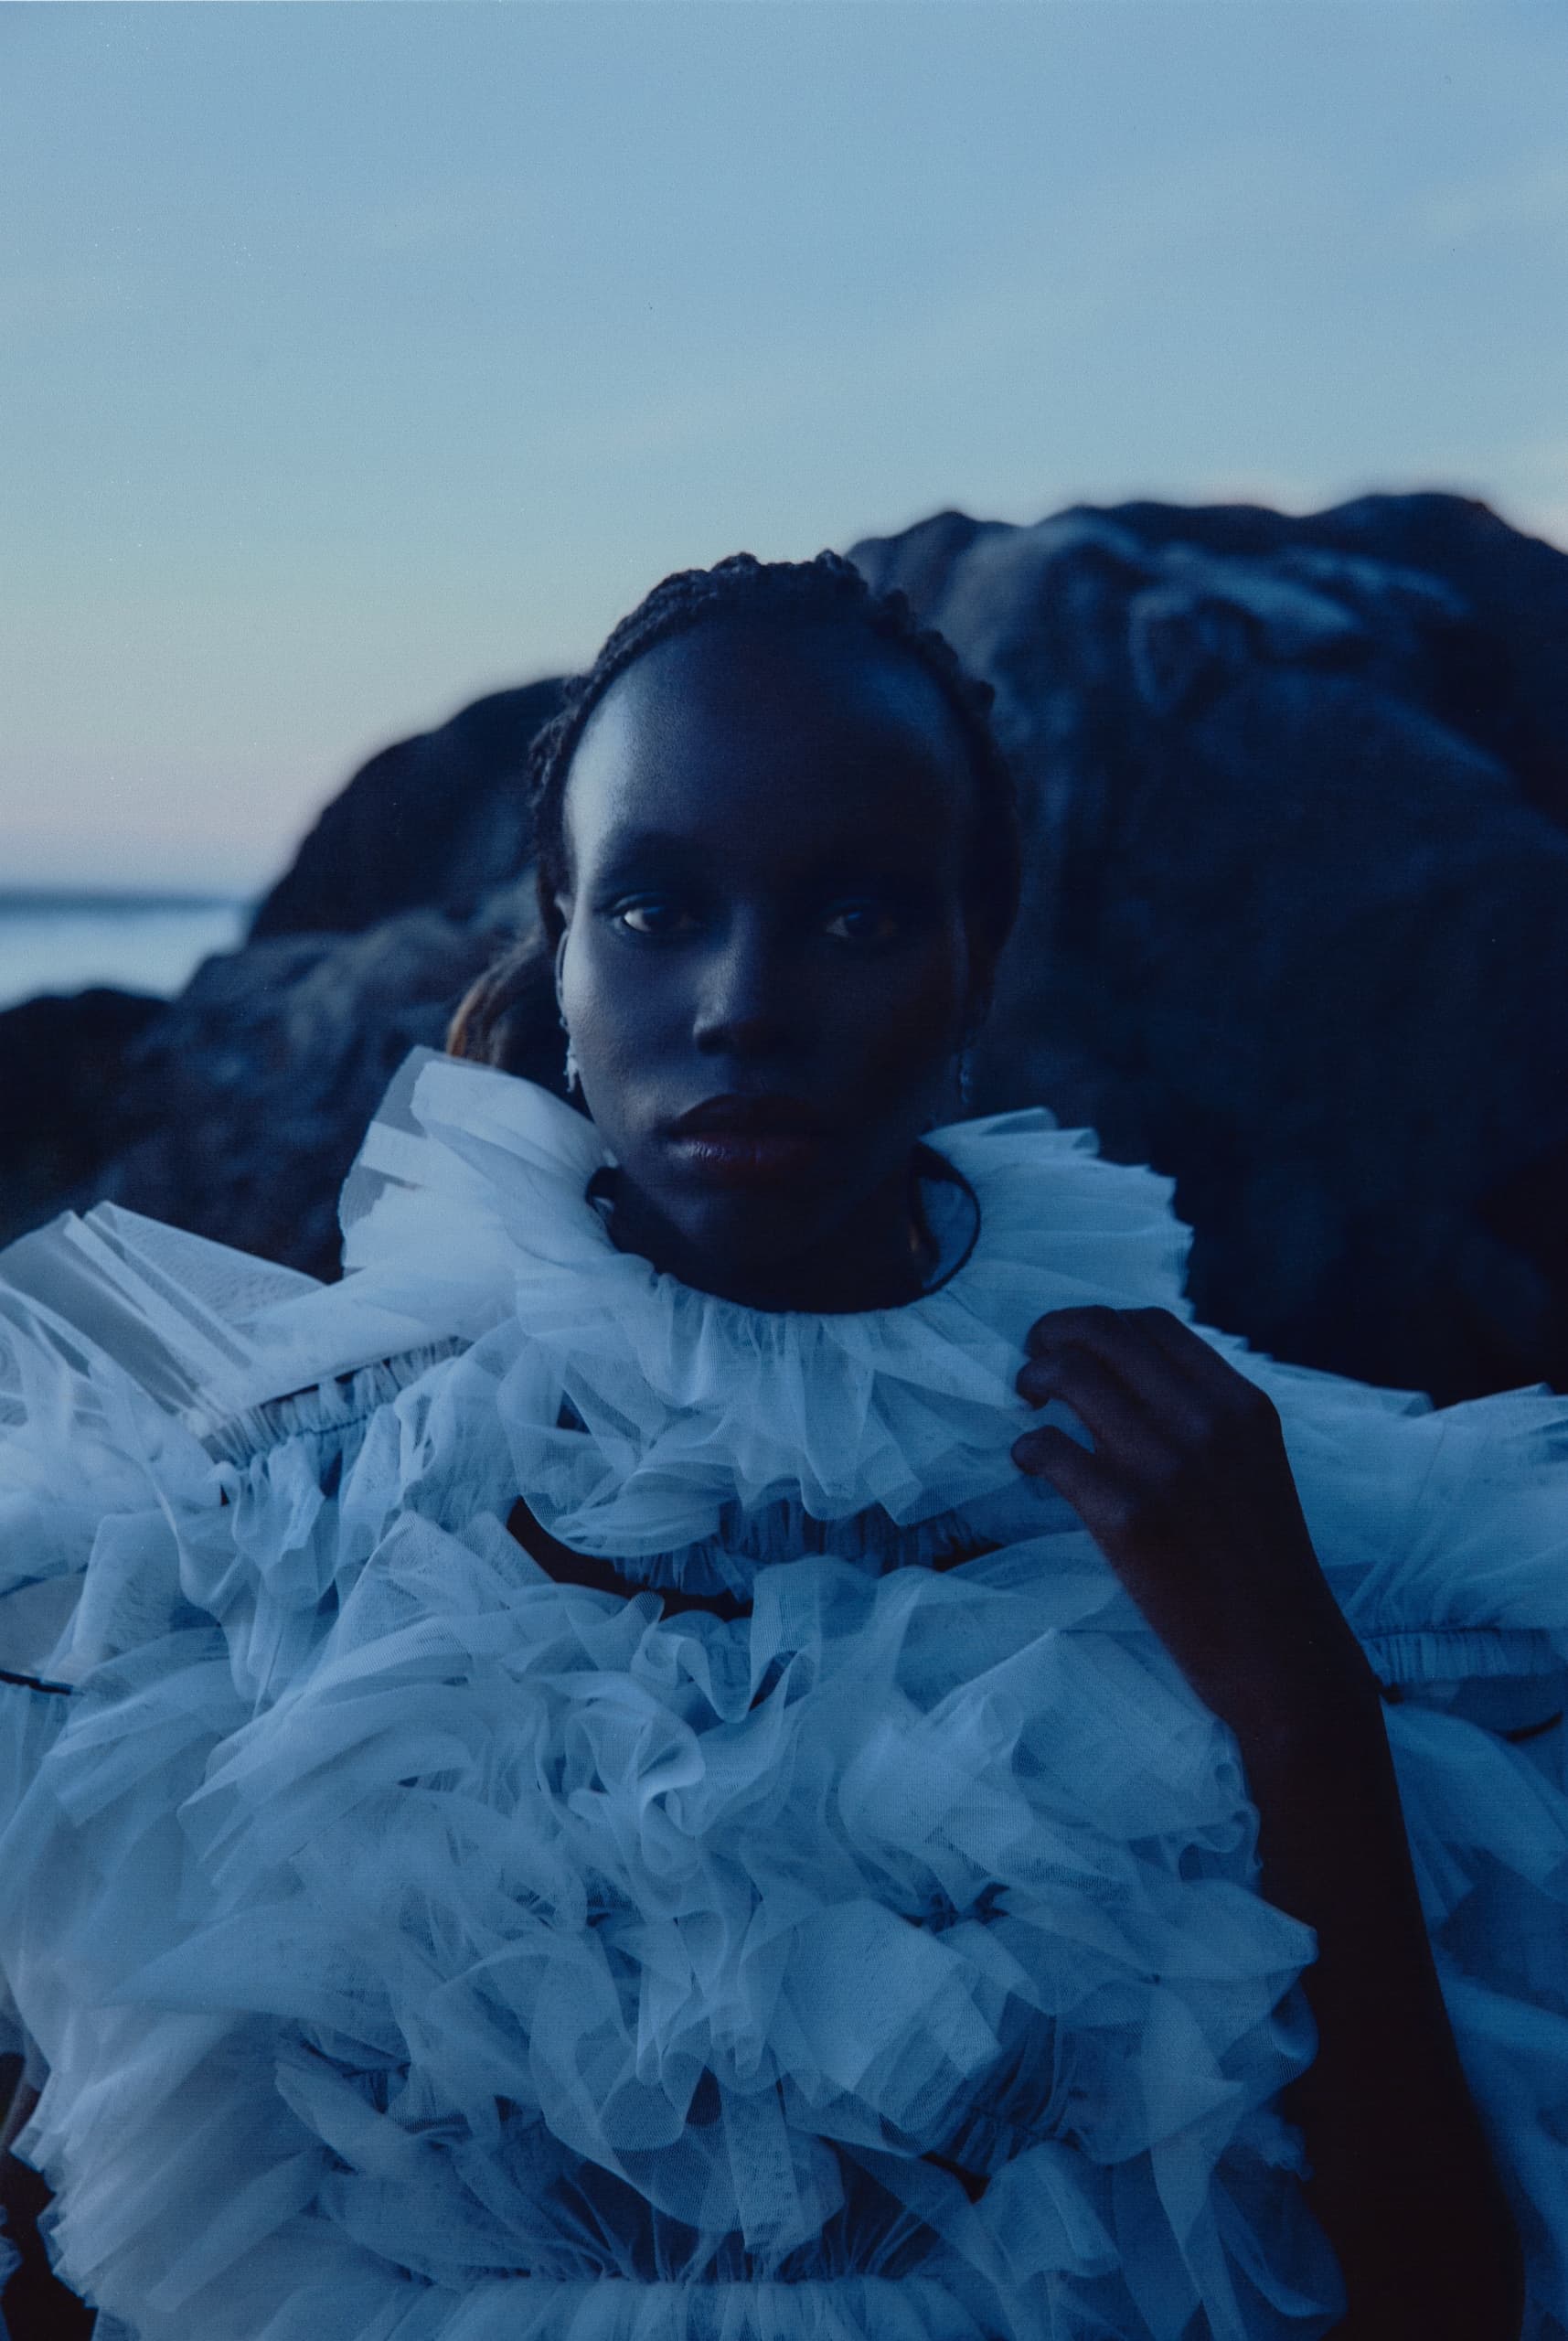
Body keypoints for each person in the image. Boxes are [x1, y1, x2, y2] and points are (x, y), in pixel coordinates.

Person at [0, 551, 1563, 2341]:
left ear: (981, 952)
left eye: (854, 913)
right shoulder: (240, 1512)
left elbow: (1447, 2300)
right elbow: (81, 2232)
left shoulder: (1235, 1510)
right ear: (562, 942)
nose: (744, 998)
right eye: (658, 907)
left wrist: (1303, 1705)